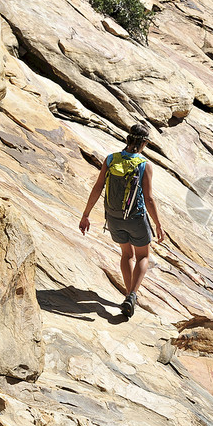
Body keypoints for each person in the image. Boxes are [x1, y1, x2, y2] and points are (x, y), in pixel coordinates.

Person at [79, 123, 164, 317]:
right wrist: (158, 224)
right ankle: (132, 295)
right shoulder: (144, 165)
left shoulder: (111, 159)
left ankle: (128, 295)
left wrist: (86, 214)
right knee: (143, 256)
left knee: (127, 254)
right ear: (145, 143)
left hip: (114, 217)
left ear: (127, 139)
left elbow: (98, 187)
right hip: (135, 217)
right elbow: (149, 198)